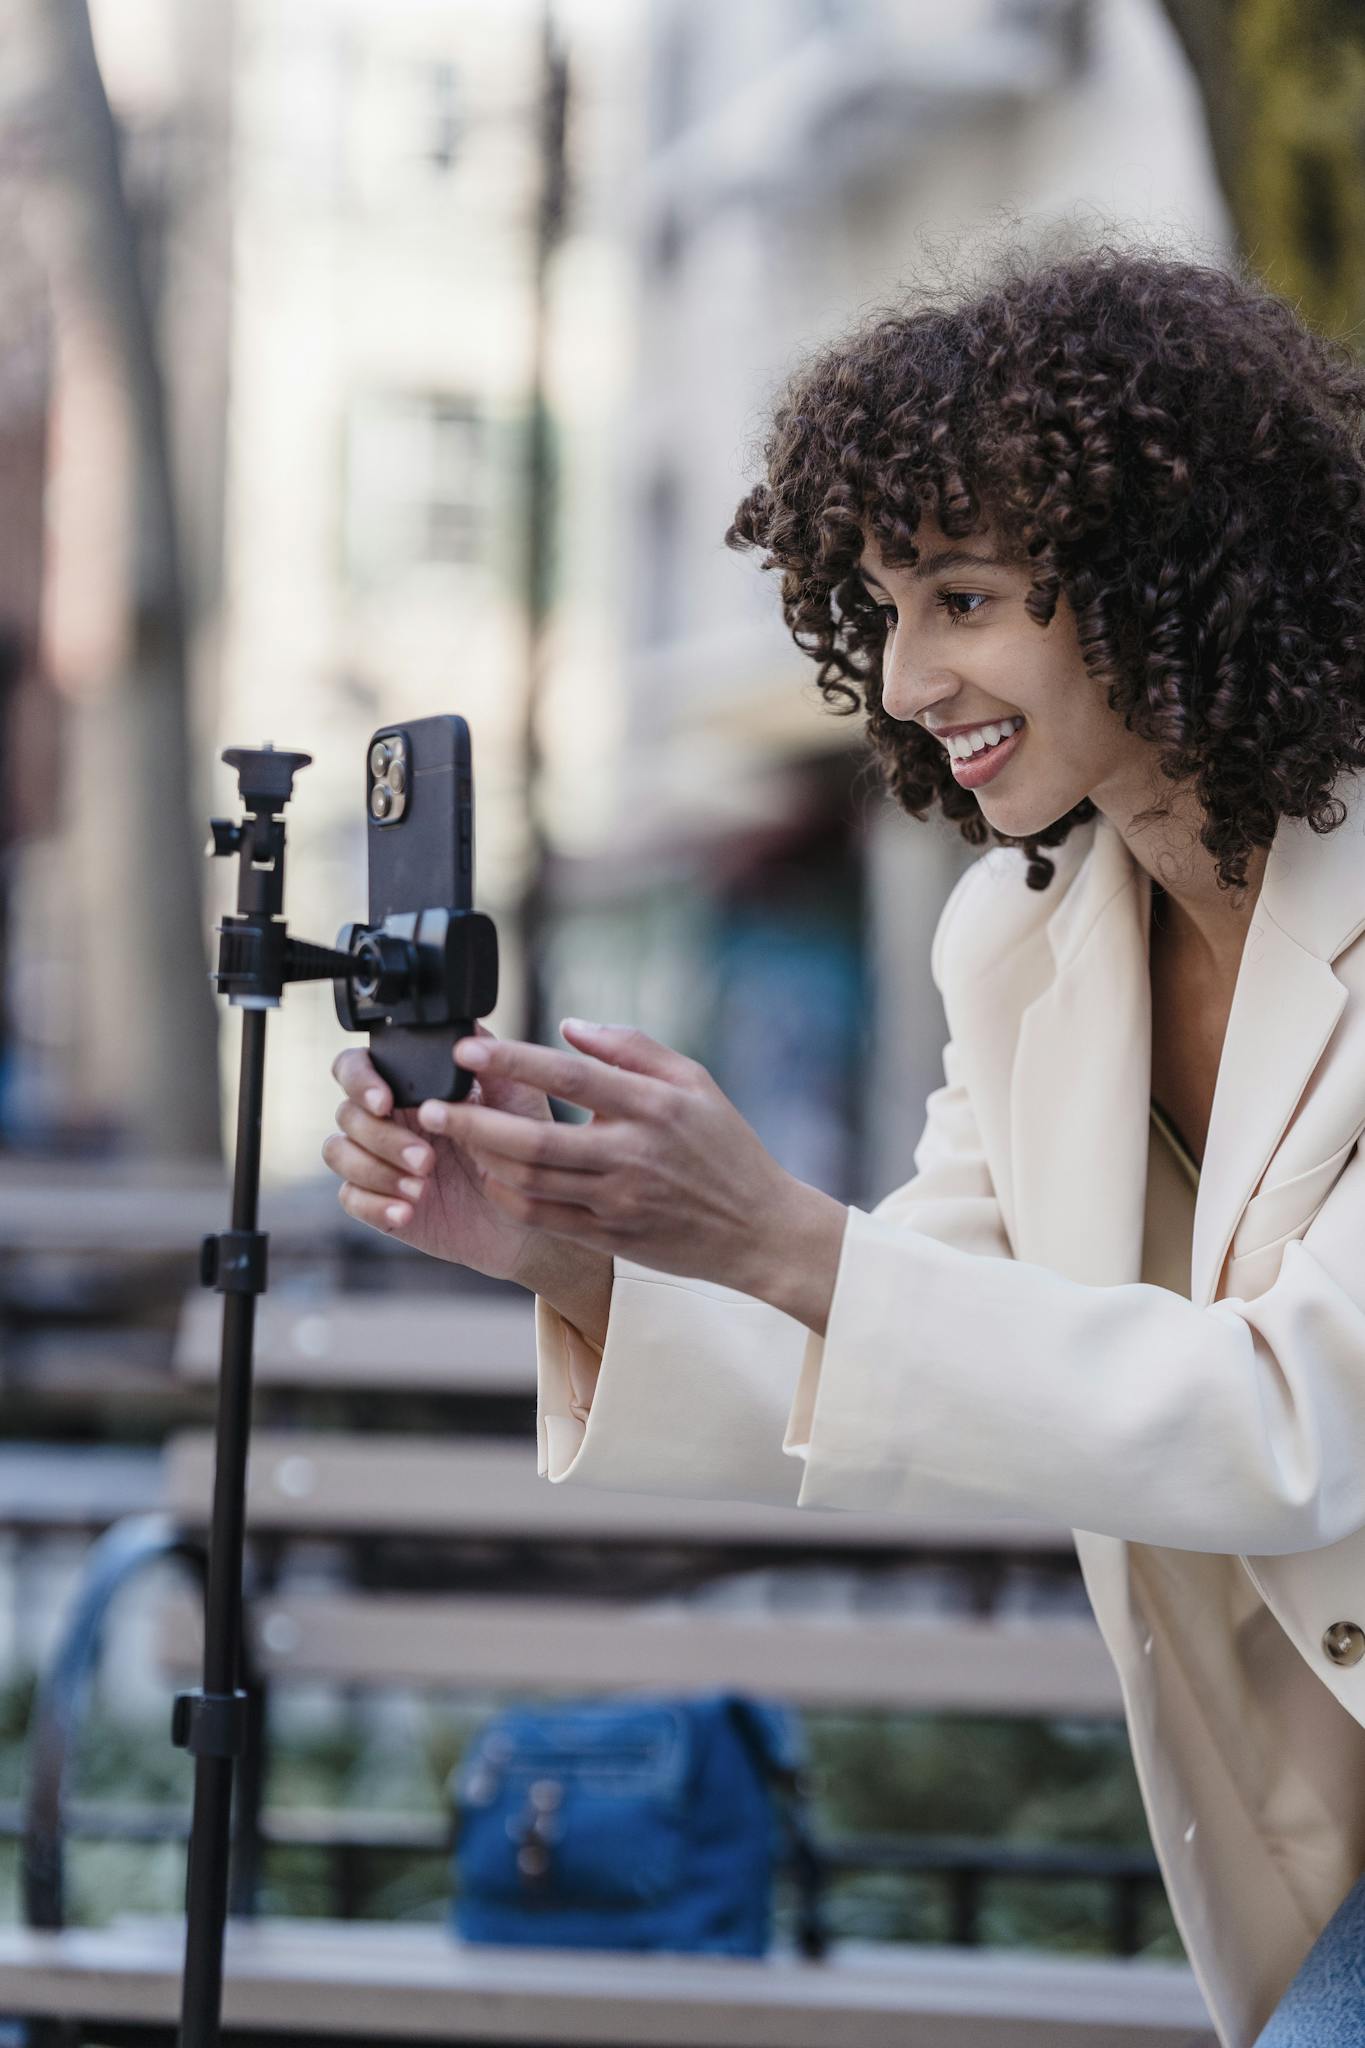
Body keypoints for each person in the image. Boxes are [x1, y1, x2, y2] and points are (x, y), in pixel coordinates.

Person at [326, 235, 1365, 2047]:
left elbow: (1296, 1424)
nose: (900, 677)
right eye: (881, 607)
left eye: (961, 597)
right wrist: (573, 1249)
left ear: (1158, 570)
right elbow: (931, 1369)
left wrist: (776, 1226)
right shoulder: (1023, 945)